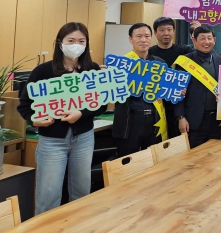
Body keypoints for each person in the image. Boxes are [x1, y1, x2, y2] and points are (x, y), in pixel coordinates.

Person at [17, 22, 105, 215]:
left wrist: (81, 113)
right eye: (71, 41)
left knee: (82, 192)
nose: (76, 45)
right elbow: (24, 105)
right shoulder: (43, 71)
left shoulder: (93, 69)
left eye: (81, 41)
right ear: (60, 43)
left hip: (84, 139)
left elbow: (101, 103)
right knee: (48, 195)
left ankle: (79, 226)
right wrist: (34, 120)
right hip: (52, 141)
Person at [112, 23, 167, 157]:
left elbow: (167, 90)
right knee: (128, 161)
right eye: (139, 36)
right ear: (130, 39)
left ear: (151, 38)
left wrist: (178, 91)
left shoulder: (160, 63)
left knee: (155, 160)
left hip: (155, 120)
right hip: (130, 121)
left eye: (147, 36)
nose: (143, 40)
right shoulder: (121, 64)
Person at [174, 25, 221, 149]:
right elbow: (178, 93)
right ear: (194, 40)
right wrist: (181, 117)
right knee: (192, 155)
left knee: (213, 153)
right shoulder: (184, 61)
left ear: (214, 40)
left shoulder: (220, 60)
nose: (206, 42)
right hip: (193, 119)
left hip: (215, 119)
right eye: (202, 38)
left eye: (209, 38)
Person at [149, 17, 194, 138]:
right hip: (156, 106)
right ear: (155, 32)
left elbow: (207, 55)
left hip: (179, 106)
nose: (166, 33)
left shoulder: (184, 50)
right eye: (162, 30)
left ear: (174, 31)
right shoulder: (149, 53)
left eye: (169, 29)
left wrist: (198, 33)